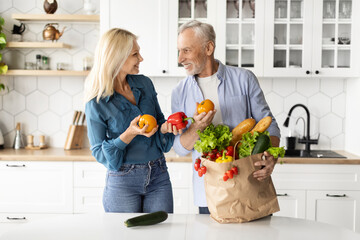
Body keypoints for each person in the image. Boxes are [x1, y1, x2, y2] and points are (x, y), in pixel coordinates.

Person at [171, 20, 281, 214]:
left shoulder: (244, 79)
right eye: (179, 51)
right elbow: (180, 148)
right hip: (211, 192)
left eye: (186, 50)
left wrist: (270, 156)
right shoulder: (180, 92)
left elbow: (270, 126)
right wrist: (196, 128)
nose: (180, 58)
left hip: (250, 184)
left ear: (209, 48)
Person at [84, 28, 177, 213]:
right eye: (135, 54)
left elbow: (158, 122)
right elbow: (99, 152)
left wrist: (165, 129)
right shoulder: (96, 101)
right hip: (122, 181)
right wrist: (129, 134)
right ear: (117, 57)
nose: (141, 59)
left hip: (158, 174)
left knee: (161, 233)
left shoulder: (145, 84)